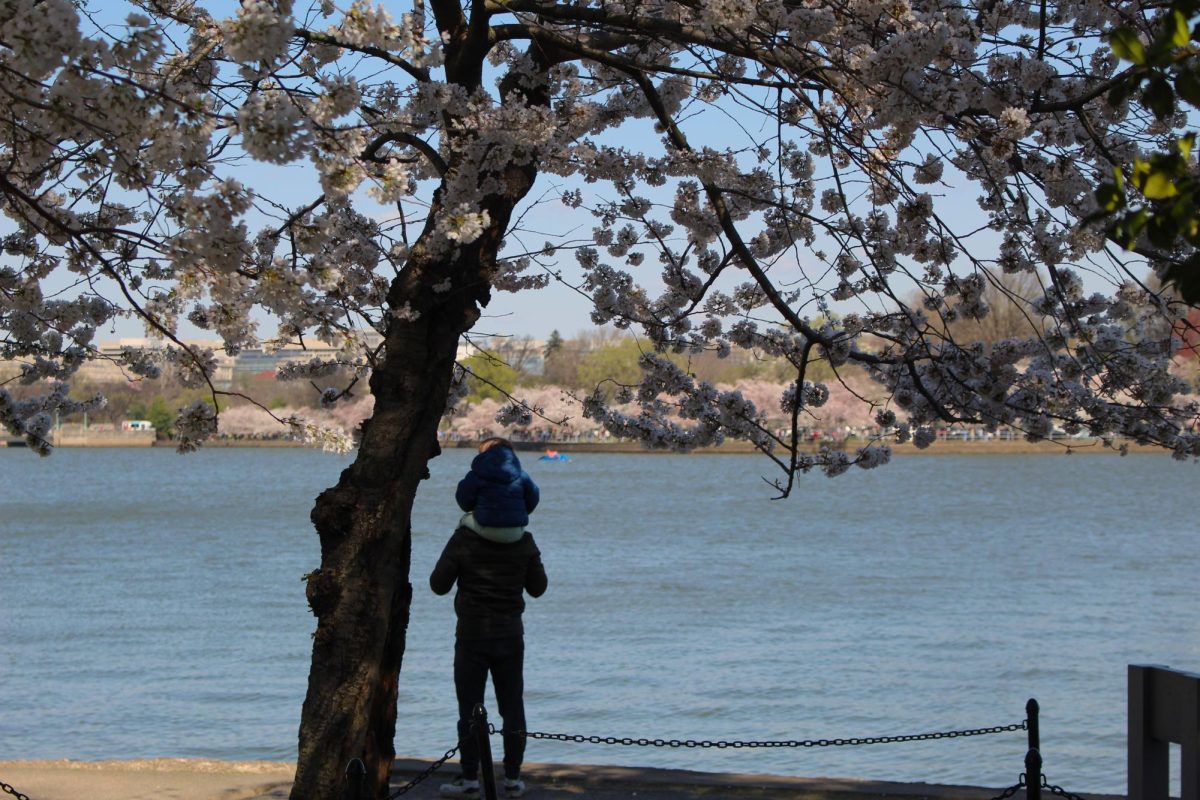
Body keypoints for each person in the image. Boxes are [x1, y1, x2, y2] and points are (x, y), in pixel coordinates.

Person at [430, 442, 548, 800]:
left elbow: (438, 585)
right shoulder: (525, 542)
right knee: (513, 707)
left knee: (469, 707)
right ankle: (512, 779)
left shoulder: (463, 539)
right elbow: (539, 588)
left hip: (471, 635)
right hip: (511, 635)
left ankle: (469, 778)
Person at [454, 437, 540, 543]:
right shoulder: (522, 475)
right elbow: (534, 497)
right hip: (516, 532)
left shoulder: (476, 475)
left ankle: (451, 557)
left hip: (486, 529)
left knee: (464, 520)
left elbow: (464, 501)